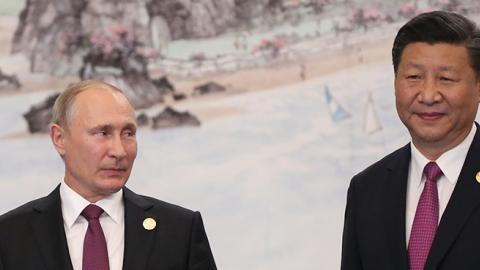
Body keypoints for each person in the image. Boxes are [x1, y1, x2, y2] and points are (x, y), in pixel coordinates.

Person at [0, 80, 217, 270]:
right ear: (59, 138)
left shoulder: (180, 231)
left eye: (128, 133)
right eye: (102, 133)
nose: (119, 151)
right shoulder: (9, 236)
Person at [341, 11, 480, 270]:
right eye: (413, 77)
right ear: (395, 83)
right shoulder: (366, 189)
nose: (428, 95)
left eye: (446, 79)